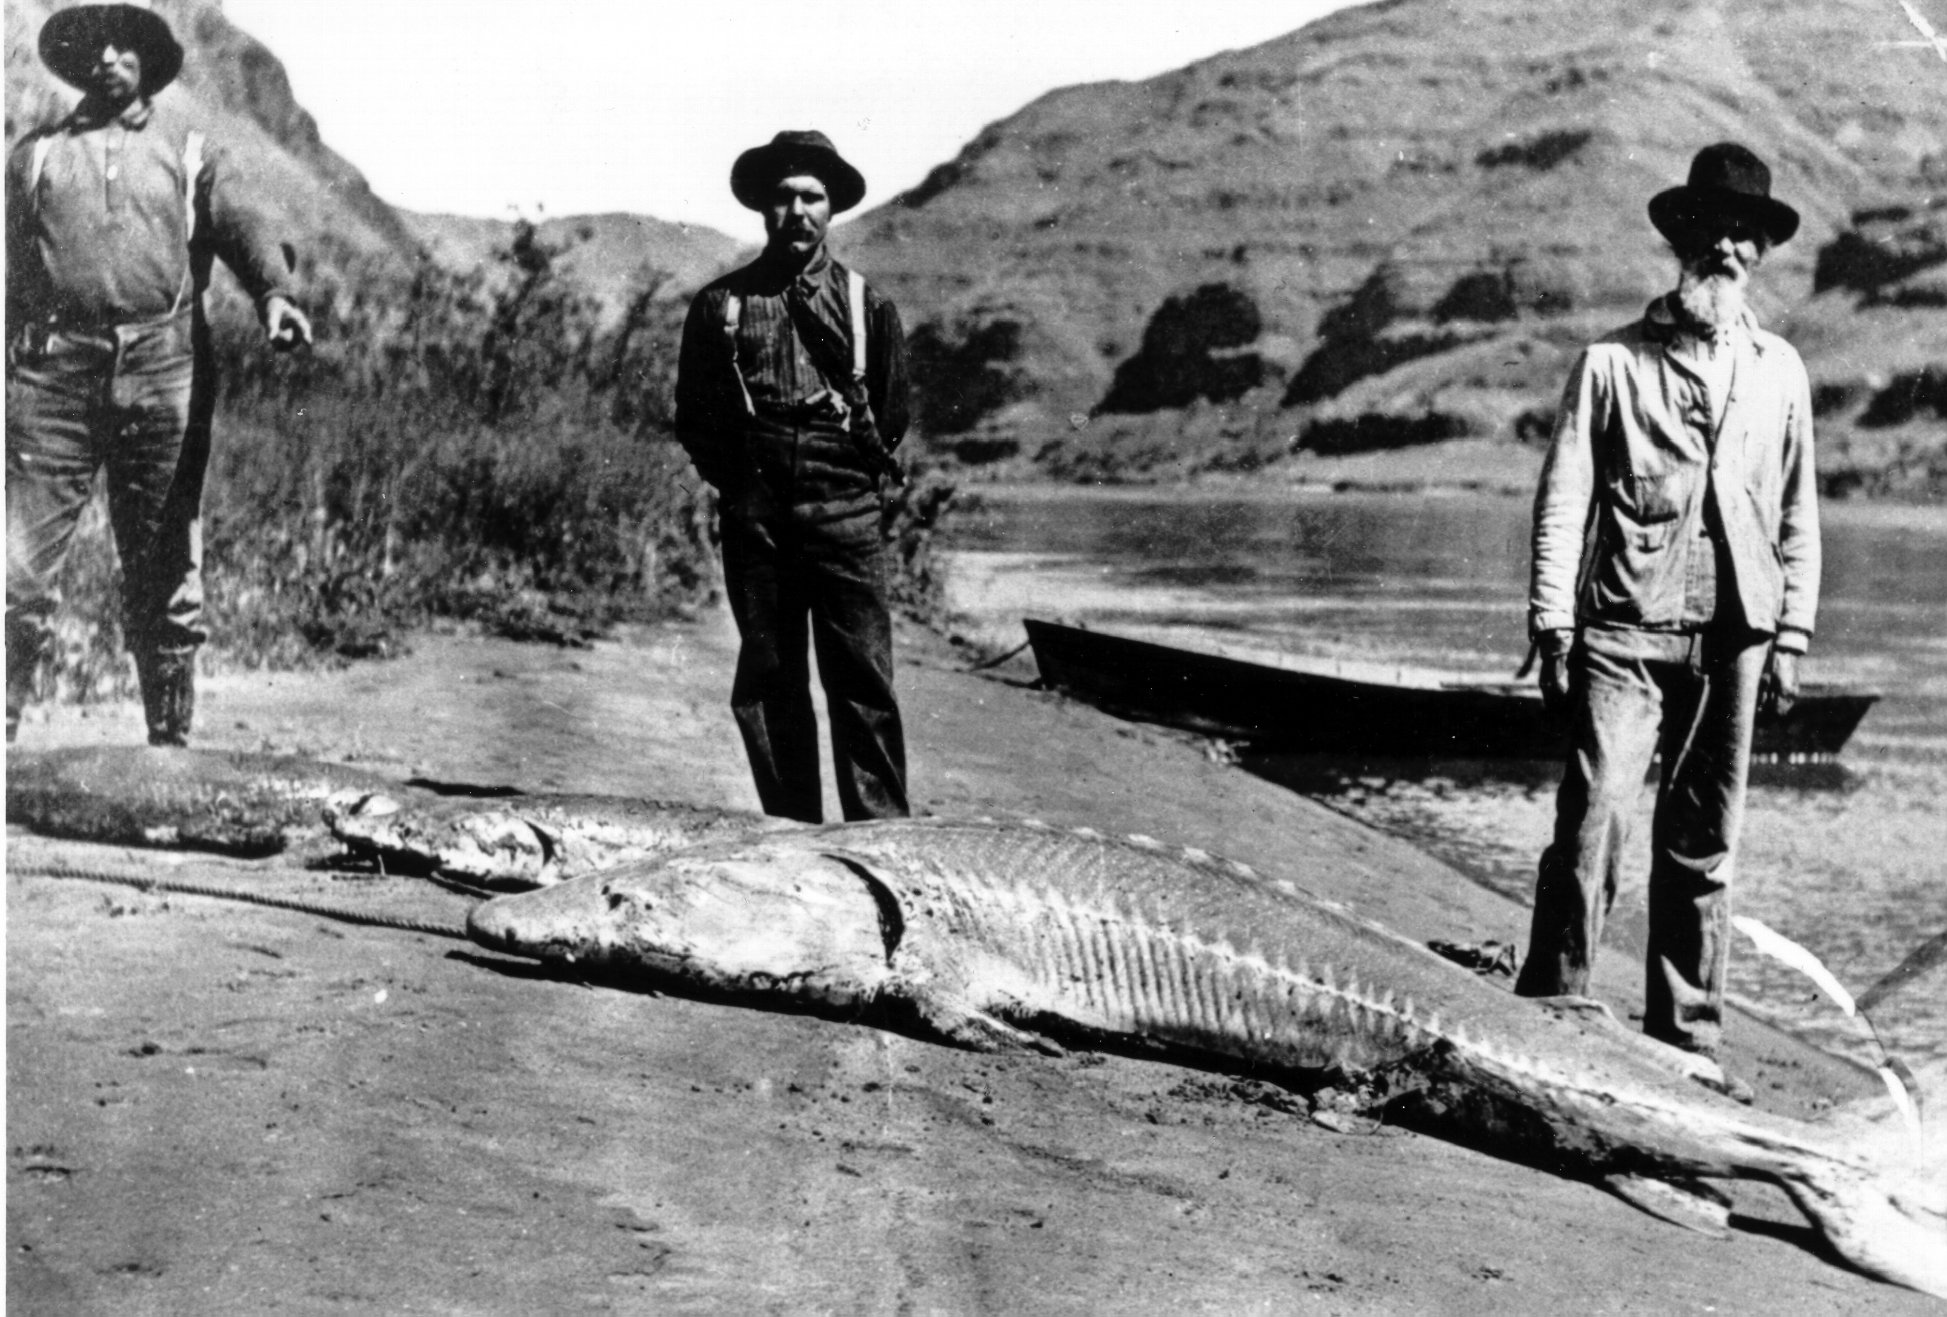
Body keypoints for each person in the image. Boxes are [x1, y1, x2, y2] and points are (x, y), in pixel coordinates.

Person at [1515, 143, 1820, 1081]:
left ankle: (1684, 1041)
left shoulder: (1781, 371)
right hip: (1621, 627)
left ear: (1759, 254)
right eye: (1712, 231)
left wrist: (1792, 635)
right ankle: (1553, 1011)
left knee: (1702, 843)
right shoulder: (1610, 363)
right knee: (1592, 823)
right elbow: (1563, 496)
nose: (1727, 249)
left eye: (1745, 236)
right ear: (1681, 240)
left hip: (1737, 637)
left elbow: (1799, 510)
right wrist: (1551, 622)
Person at [6, 0, 312, 746]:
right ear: (75, 63)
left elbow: (239, 216)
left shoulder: (191, 146)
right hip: (53, 377)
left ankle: (168, 747)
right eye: (92, 46)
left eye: (124, 43)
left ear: (147, 56)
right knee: (16, 567)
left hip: (163, 368)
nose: (108, 55)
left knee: (164, 558)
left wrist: (273, 292)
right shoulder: (36, 154)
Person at [674, 130, 913, 822]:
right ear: (762, 209)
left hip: (844, 516)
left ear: (832, 208)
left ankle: (882, 844)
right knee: (771, 679)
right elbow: (696, 418)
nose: (797, 211)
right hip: (757, 519)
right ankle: (791, 837)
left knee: (863, 684)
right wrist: (746, 484)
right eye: (783, 197)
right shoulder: (719, 306)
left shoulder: (869, 307)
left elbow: (892, 419)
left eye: (811, 196)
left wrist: (841, 489)